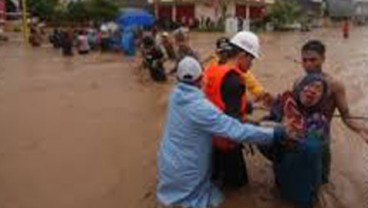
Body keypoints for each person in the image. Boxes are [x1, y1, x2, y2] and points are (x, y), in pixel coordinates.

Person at [157, 56, 289, 208]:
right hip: (187, 174)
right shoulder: (201, 108)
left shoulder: (175, 95)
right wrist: (275, 134)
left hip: (168, 166)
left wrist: (249, 107)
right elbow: (236, 131)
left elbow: (212, 103)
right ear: (201, 78)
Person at [203, 31, 271, 188]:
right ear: (242, 55)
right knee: (238, 186)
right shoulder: (235, 80)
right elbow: (233, 123)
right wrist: (263, 130)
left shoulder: (212, 70)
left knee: (215, 179)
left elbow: (221, 101)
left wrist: (253, 106)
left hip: (210, 138)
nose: (251, 64)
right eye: (251, 59)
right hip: (226, 144)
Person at [297, 40, 368, 183]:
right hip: (299, 138)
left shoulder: (335, 86)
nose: (308, 64)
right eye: (304, 60)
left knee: (322, 181)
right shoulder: (299, 82)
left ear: (323, 59)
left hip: (321, 142)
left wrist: (362, 130)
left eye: (313, 60)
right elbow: (292, 110)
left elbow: (346, 117)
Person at [261, 73, 329, 207]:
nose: (312, 90)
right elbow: (267, 124)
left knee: (303, 200)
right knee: (281, 192)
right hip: (281, 163)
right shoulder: (285, 103)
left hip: (304, 175)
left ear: (322, 98)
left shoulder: (319, 122)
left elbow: (313, 150)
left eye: (318, 89)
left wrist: (287, 133)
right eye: (308, 85)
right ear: (300, 87)